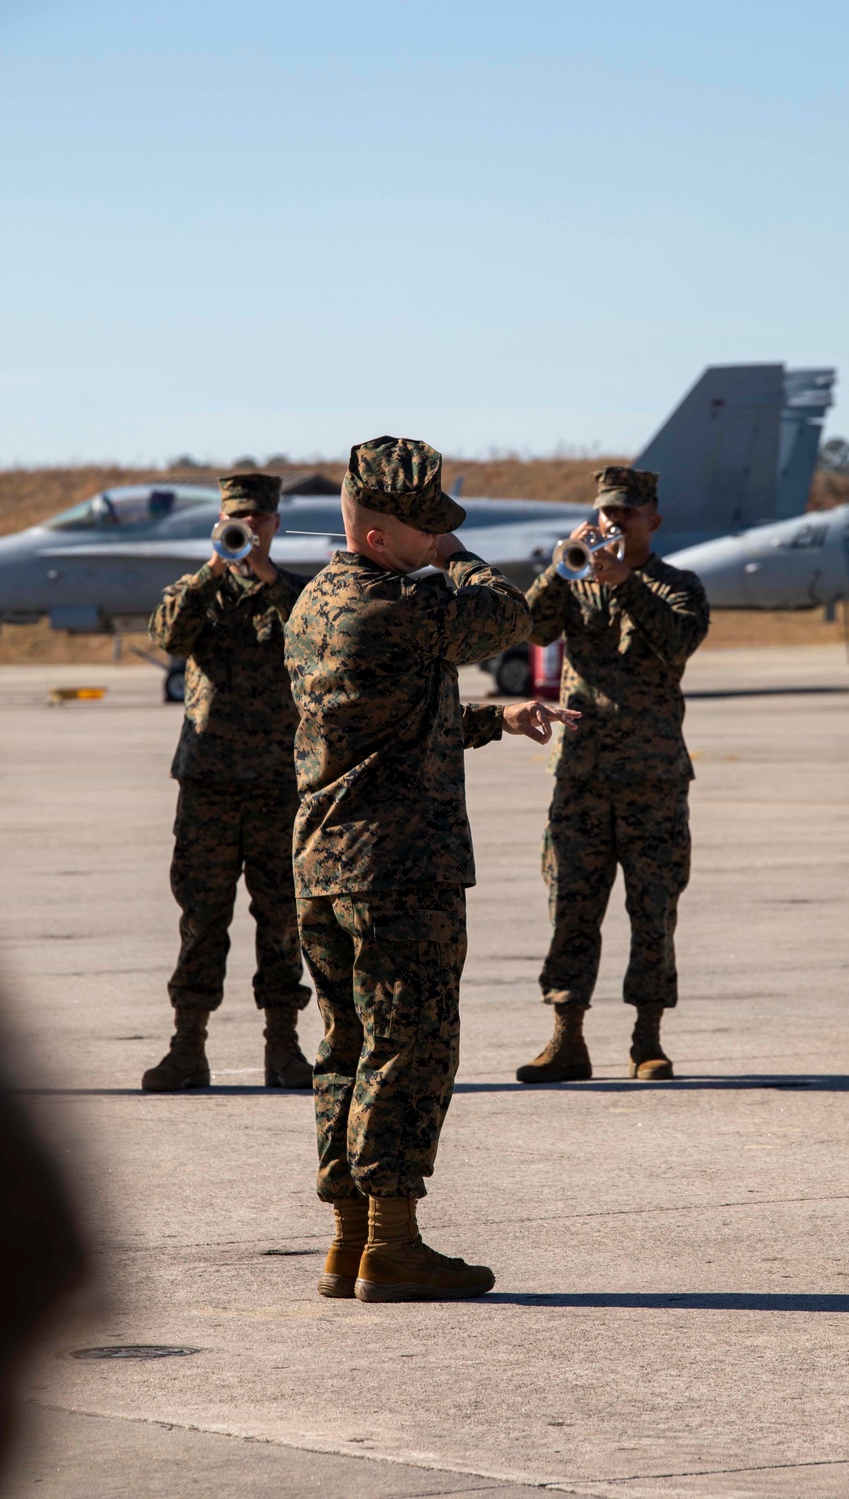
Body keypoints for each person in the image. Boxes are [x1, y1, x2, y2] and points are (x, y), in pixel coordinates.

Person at [285, 435, 578, 1302]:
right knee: (409, 1051)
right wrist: (460, 560)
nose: (444, 540)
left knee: (346, 1047)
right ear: (379, 538)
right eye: (428, 530)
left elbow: (386, 717)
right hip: (397, 869)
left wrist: (495, 720)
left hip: (328, 864)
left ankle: (347, 1242)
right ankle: (395, 1244)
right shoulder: (395, 606)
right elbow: (507, 615)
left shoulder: (319, 604)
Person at [515, 465, 710, 1084]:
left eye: (627, 512)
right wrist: (558, 567)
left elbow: (678, 642)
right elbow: (527, 627)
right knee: (570, 905)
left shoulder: (678, 585)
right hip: (581, 775)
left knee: (653, 910)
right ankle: (566, 1036)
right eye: (606, 512)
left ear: (653, 519)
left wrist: (625, 582)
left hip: (652, 778)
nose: (614, 522)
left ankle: (646, 1039)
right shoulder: (576, 579)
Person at [142, 472, 312, 1093]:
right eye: (237, 519)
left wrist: (268, 580)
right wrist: (214, 569)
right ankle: (187, 1048)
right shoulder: (198, 590)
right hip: (209, 780)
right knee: (202, 915)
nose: (250, 529)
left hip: (276, 782)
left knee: (283, 917)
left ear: (273, 523)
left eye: (259, 519)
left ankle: (284, 1049)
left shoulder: (296, 592)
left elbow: (320, 641)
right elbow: (166, 637)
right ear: (222, 523)